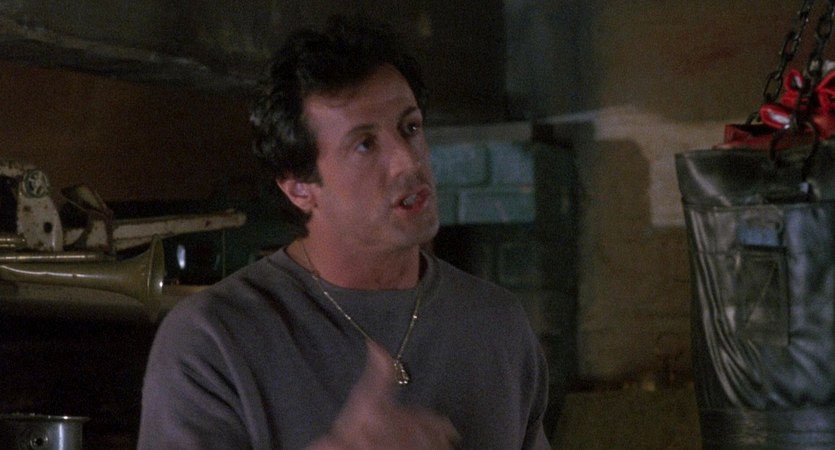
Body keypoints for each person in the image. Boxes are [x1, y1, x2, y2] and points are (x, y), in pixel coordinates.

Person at [138, 15, 551, 449]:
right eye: (365, 144)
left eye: (410, 128)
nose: (408, 162)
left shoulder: (496, 322)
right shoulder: (212, 339)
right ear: (299, 188)